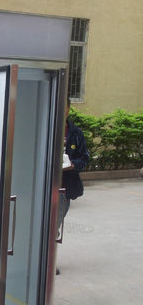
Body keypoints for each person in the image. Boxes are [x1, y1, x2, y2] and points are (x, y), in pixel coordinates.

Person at [57, 98, 89, 274]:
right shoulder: (45, 128)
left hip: (65, 187)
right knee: (43, 225)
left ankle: (48, 262)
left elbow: (84, 158)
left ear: (68, 109)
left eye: (65, 107)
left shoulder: (76, 133)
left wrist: (72, 164)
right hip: (44, 186)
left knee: (54, 225)